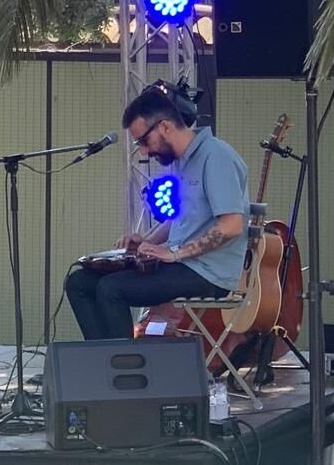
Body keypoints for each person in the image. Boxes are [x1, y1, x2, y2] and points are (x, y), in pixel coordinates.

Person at [65, 87, 250, 340]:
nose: (143, 151)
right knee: (79, 283)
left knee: (112, 289)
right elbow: (181, 219)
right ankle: (103, 364)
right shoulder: (183, 160)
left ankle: (124, 372)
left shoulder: (216, 156)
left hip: (209, 272)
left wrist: (175, 253)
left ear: (164, 127)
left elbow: (231, 226)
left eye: (143, 141)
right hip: (184, 263)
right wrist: (147, 241)